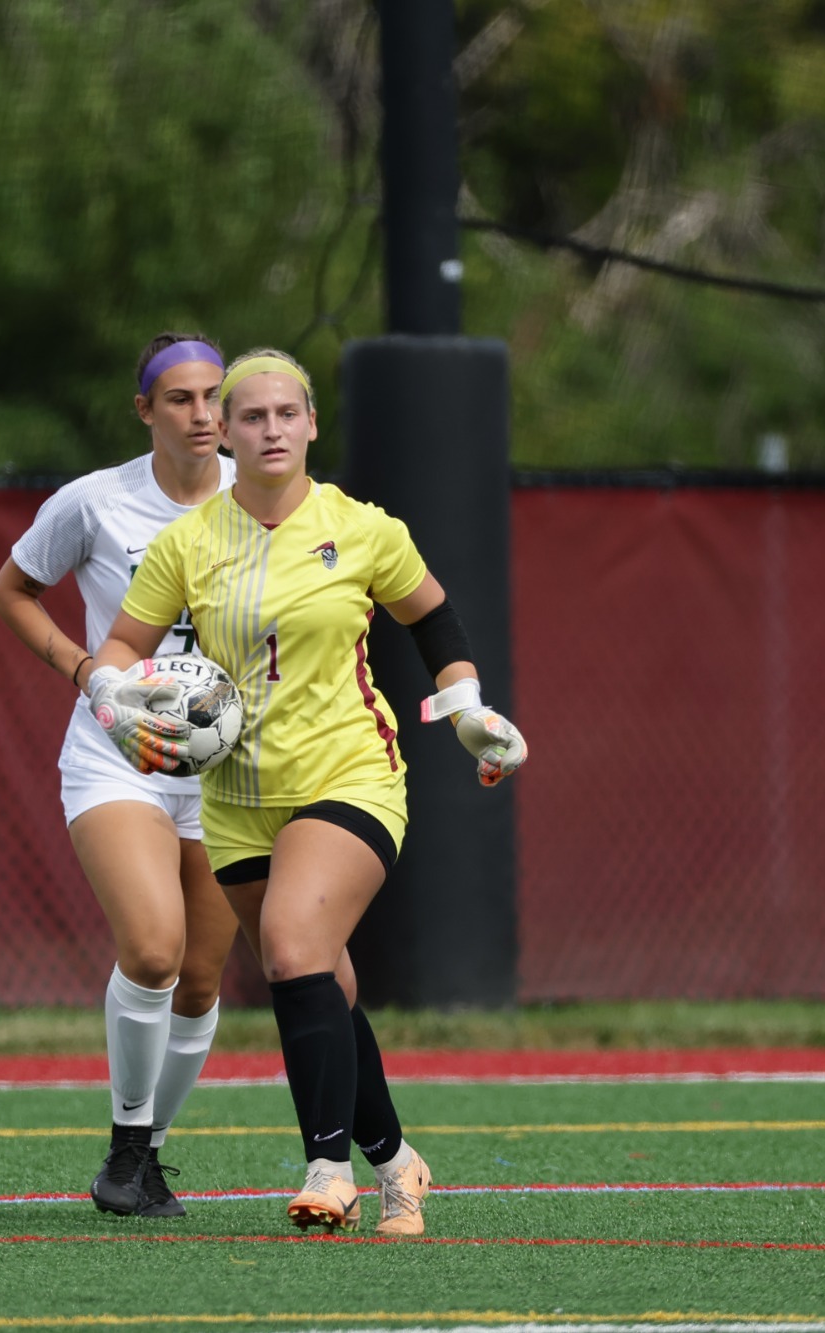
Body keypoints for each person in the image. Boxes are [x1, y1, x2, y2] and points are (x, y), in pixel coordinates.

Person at [84, 348, 527, 1235]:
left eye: (288, 413)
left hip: (350, 774)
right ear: (227, 434)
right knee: (326, 983)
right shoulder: (189, 541)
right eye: (252, 416)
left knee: (291, 948)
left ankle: (329, 1168)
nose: (271, 428)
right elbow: (121, 648)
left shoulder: (363, 527)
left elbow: (435, 619)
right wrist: (112, 695)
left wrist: (470, 707)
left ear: (313, 424)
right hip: (238, 799)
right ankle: (400, 1163)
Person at [0, 332, 376, 1218]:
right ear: (145, 411)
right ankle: (127, 1147)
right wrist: (88, 671)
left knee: (204, 979)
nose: (203, 415)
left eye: (216, 398)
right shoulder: (94, 504)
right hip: (119, 759)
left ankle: (147, 1157)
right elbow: (10, 591)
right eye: (181, 399)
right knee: (155, 949)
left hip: (227, 776)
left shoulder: (271, 511)